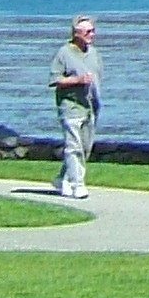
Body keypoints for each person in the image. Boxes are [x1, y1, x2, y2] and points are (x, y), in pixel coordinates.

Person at [49, 16, 103, 198]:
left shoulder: (94, 53)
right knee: (73, 147)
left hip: (90, 107)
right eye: (88, 32)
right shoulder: (64, 53)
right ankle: (77, 184)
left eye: (93, 31)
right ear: (76, 33)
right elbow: (55, 80)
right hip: (71, 106)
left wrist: (97, 102)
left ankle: (62, 178)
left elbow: (98, 78)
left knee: (85, 148)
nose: (92, 34)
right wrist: (77, 80)